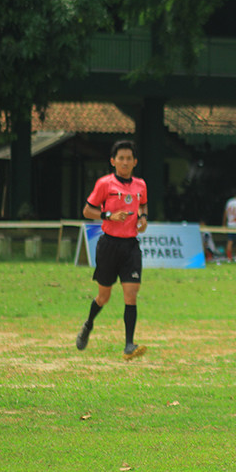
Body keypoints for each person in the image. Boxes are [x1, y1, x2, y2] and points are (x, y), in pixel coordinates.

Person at [74, 140, 150, 360]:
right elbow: (88, 210)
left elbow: (143, 204)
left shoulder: (140, 185)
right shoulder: (104, 184)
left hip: (130, 246)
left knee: (131, 293)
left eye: (129, 158)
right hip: (109, 245)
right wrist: (108, 216)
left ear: (135, 162)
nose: (125, 162)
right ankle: (88, 325)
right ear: (113, 161)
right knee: (103, 296)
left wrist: (143, 217)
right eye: (121, 158)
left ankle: (128, 344)